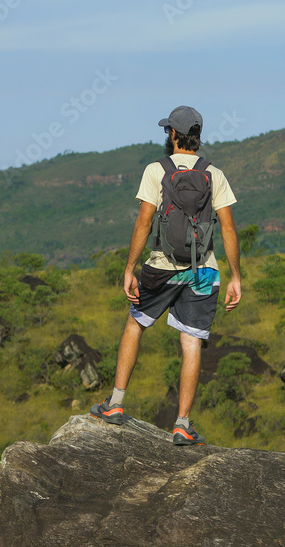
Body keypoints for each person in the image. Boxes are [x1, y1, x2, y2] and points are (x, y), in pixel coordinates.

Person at [90, 105, 242, 445]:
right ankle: (182, 425)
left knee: (135, 324)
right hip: (203, 270)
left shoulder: (156, 170)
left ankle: (114, 405)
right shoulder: (213, 174)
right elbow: (229, 228)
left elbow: (144, 221)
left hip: (161, 267)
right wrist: (235, 277)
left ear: (173, 134)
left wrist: (129, 268)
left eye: (167, 130)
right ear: (197, 136)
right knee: (191, 343)